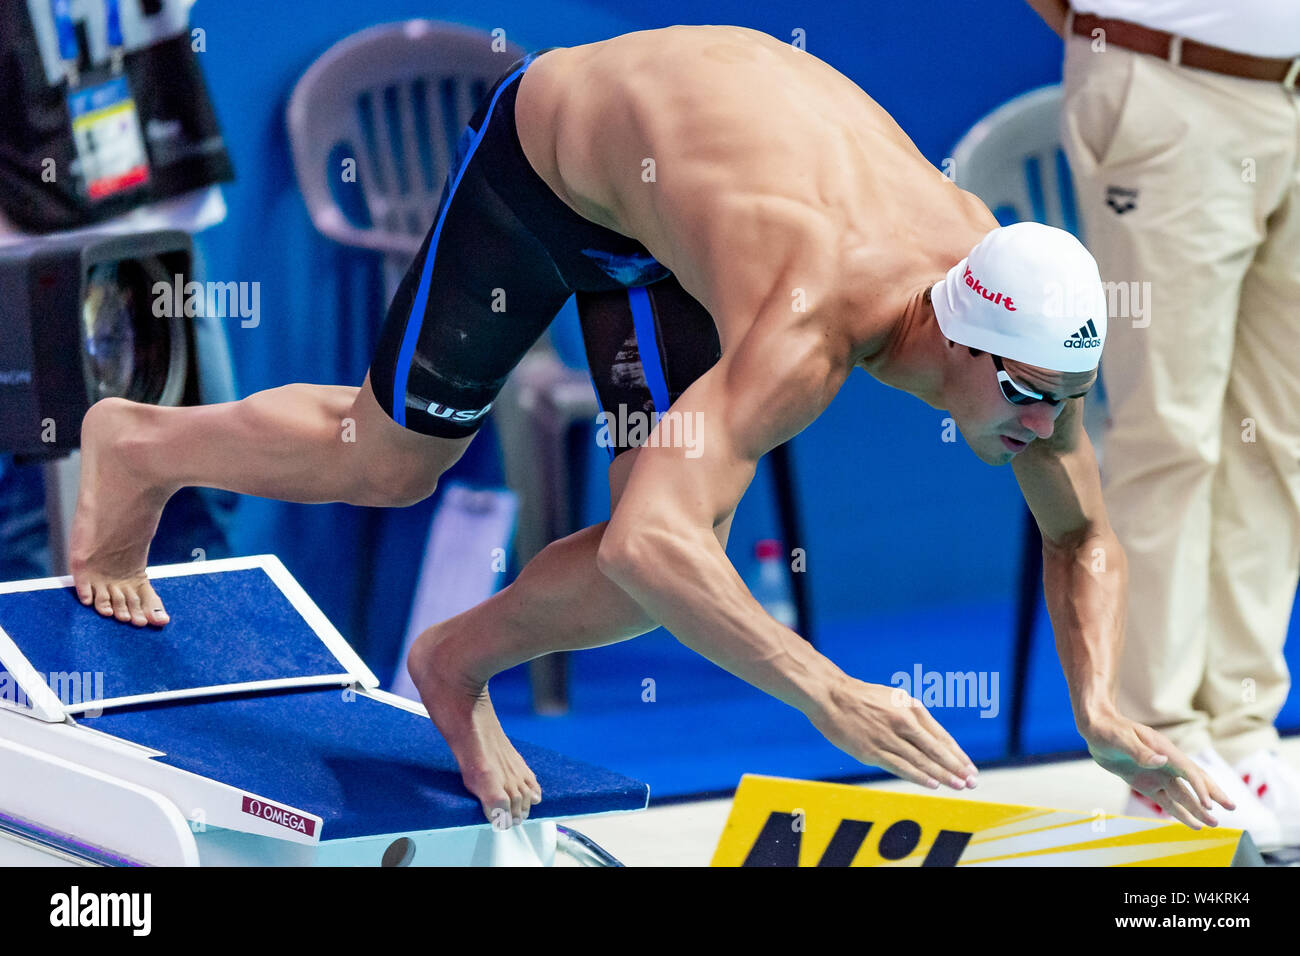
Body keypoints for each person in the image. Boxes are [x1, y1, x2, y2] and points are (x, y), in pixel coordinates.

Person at [70, 24, 1234, 831]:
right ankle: (136, 444)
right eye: (1032, 397)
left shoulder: (1018, 339)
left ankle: (450, 661)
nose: (1047, 427)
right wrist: (827, 692)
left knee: (663, 564)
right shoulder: (812, 323)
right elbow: (646, 541)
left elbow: (1082, 535)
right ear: (964, 343)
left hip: (679, 215)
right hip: (555, 162)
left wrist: (1102, 709)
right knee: (388, 462)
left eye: (1064, 401)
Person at [1026, 0, 1300, 850]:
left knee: (1277, 440)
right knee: (1168, 434)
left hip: (1286, 98)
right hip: (1169, 84)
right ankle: (1158, 747)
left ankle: (1245, 731)